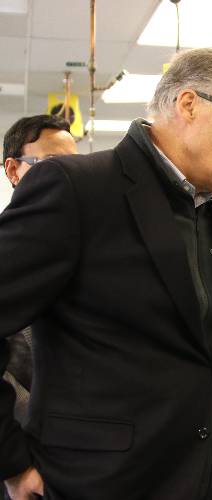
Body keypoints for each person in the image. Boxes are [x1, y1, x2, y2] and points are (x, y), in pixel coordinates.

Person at [0, 47, 212, 500]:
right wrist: (12, 462)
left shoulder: (203, 211)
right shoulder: (76, 188)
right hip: (101, 483)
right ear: (188, 104)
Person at [1, 114, 77, 427]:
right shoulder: (7, 248)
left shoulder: (79, 241)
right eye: (51, 164)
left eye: (75, 166)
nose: (69, 177)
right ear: (13, 169)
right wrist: (15, 460)